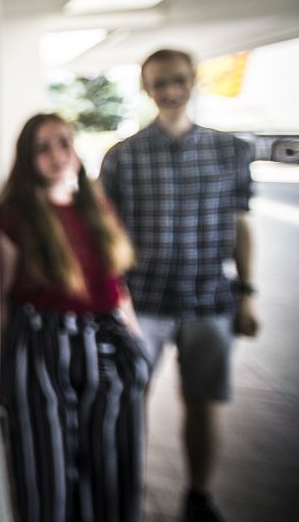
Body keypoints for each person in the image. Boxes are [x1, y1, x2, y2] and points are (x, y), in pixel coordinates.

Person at [99, 49, 258, 522]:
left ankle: (198, 496)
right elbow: (107, 233)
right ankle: (125, 492)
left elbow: (240, 225)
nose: (170, 90)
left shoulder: (231, 151)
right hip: (141, 301)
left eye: (178, 79)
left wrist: (247, 294)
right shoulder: (123, 156)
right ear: (146, 88)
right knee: (129, 400)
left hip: (208, 299)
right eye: (159, 82)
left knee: (203, 402)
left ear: (193, 81)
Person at [0, 113, 148, 522]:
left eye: (64, 143)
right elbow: (2, 296)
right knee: (45, 468)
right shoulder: (15, 213)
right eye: (42, 148)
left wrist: (137, 343)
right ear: (27, 158)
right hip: (41, 342)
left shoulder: (96, 206)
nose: (56, 154)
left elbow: (117, 286)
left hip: (107, 342)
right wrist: (0, 367)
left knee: (111, 466)